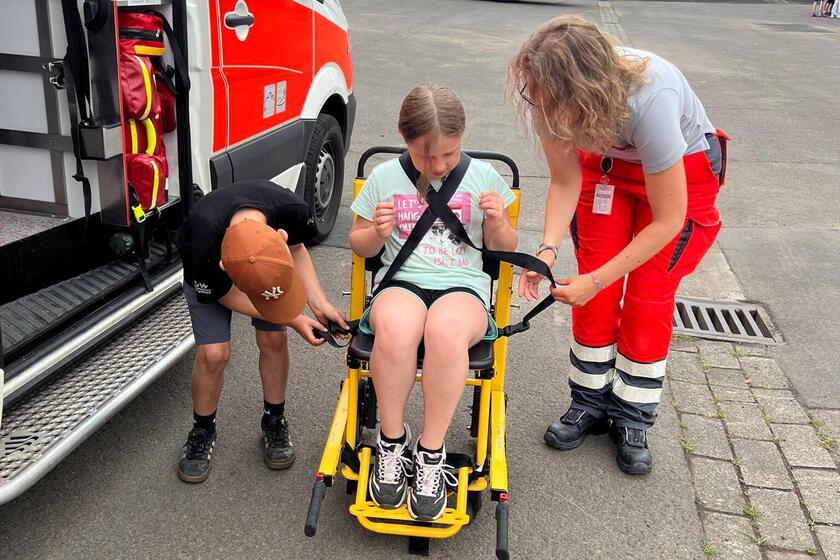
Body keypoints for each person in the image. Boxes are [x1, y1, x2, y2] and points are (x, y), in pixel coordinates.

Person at [509, 16, 727, 475]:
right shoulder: (546, 95)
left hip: (679, 170)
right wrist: (546, 250)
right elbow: (566, 180)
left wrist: (598, 278)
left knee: (648, 294)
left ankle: (632, 416)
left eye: (550, 101)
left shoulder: (652, 97)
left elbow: (669, 220)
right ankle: (588, 402)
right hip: (609, 167)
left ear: (583, 91)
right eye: (534, 96)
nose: (540, 109)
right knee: (592, 286)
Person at [348, 85, 518, 520]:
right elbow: (360, 246)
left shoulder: (483, 177)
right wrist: (378, 235)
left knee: (445, 331)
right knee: (397, 328)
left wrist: (498, 221)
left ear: (462, 140)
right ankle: (391, 442)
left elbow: (504, 249)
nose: (439, 165)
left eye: (449, 154)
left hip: (463, 287)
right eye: (427, 157)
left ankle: (430, 451)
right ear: (405, 141)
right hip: (402, 281)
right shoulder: (385, 177)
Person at [174, 179, 348, 483]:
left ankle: (274, 419)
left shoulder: (290, 211)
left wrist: (319, 303)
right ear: (224, 266)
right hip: (213, 284)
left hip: (264, 269)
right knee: (214, 354)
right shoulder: (200, 240)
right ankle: (202, 429)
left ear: (279, 235)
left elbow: (296, 248)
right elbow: (221, 294)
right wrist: (294, 317)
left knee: (272, 338)